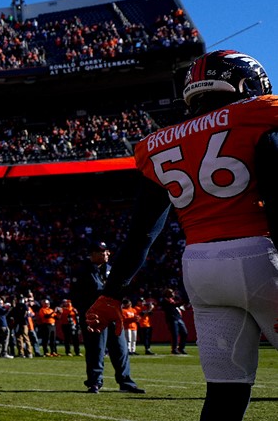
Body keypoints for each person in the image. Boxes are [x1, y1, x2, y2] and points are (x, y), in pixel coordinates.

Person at [86, 50, 278, 421]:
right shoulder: (257, 115)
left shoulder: (158, 143)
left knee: (225, 392)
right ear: (246, 84)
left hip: (201, 268)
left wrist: (111, 294)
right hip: (261, 255)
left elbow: (143, 232)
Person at [71, 242, 143, 393]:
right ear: (93, 254)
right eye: (102, 251)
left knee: (121, 349)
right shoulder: (82, 271)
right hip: (95, 316)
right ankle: (95, 382)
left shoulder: (112, 270)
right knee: (96, 349)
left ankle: (125, 382)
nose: (106, 254)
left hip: (113, 316)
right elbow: (76, 296)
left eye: (107, 251)